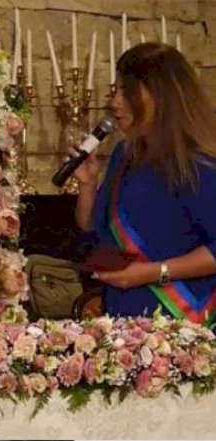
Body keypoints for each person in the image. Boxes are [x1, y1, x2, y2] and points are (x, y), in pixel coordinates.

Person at [73, 42, 216, 325]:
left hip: (180, 320)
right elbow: (92, 228)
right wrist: (87, 186)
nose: (115, 102)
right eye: (115, 91)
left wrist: (153, 273)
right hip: (124, 315)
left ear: (161, 97)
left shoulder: (197, 164)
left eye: (127, 92)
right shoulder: (124, 155)